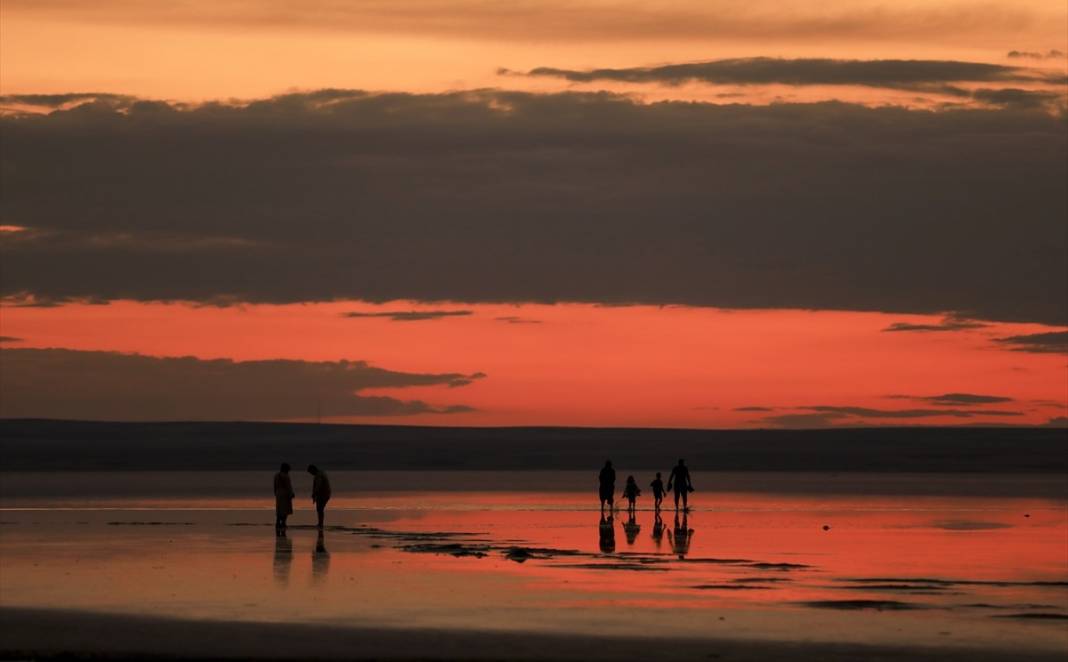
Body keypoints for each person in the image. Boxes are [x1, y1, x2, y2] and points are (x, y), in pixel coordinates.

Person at [307, 464, 331, 530]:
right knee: (320, 509)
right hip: (325, 494)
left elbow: (318, 485)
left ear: (313, 470)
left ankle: (320, 524)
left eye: (310, 472)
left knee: (320, 509)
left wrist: (314, 493)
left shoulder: (318, 475)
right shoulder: (321, 473)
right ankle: (320, 523)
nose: (311, 474)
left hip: (323, 494)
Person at [273, 463, 295, 534]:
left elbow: (275, 486)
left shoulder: (276, 475)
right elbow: (288, 486)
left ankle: (277, 523)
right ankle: (283, 523)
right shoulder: (286, 476)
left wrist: (275, 493)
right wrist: (291, 494)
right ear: (286, 469)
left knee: (279, 509)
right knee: (285, 509)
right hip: (285, 494)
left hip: (278, 494)